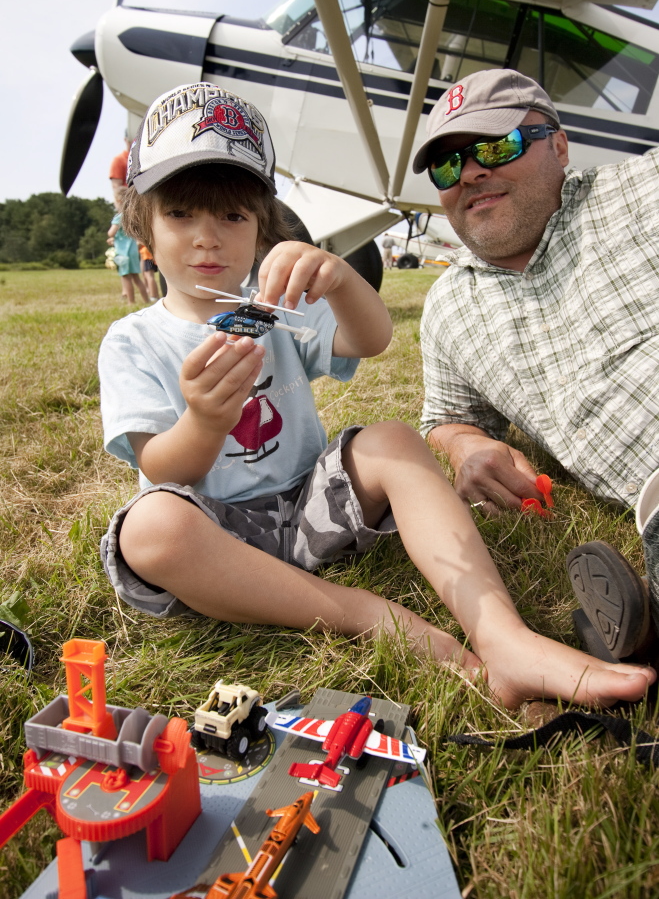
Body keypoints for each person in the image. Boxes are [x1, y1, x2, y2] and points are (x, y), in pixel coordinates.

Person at [98, 81, 654, 709]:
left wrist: (337, 278)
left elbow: (372, 338)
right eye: (181, 214)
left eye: (232, 215)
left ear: (260, 228)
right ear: (142, 223)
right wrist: (203, 419)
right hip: (216, 535)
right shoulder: (133, 341)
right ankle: (368, 614)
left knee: (392, 438)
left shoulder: (274, 308)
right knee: (150, 528)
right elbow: (162, 467)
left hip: (308, 510)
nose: (208, 237)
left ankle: (502, 635)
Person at [413, 67, 659, 664]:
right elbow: (444, 418)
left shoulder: (643, 188)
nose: (471, 171)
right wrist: (466, 449)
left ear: (560, 144)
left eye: (496, 145)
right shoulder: (448, 309)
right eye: (449, 165)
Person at [107, 212, 149, 304]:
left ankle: (131, 301)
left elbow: (111, 233)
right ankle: (147, 300)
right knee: (136, 278)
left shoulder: (119, 217)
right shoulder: (131, 215)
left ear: (119, 201)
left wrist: (112, 235)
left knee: (126, 277)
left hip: (123, 253)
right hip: (133, 250)